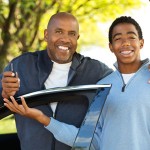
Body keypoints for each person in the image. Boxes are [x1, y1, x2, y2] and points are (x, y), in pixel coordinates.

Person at [0, 12, 113, 150]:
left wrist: (146, 75)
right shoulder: (20, 66)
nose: (65, 39)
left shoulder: (97, 71)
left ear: (77, 37)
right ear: (46, 35)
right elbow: (3, 102)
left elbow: (125, 92)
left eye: (71, 34)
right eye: (59, 32)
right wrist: (4, 94)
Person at [92, 16, 150, 150]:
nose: (125, 43)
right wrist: (47, 121)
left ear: (141, 43)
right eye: (118, 39)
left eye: (131, 37)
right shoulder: (102, 87)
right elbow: (93, 138)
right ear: (111, 47)